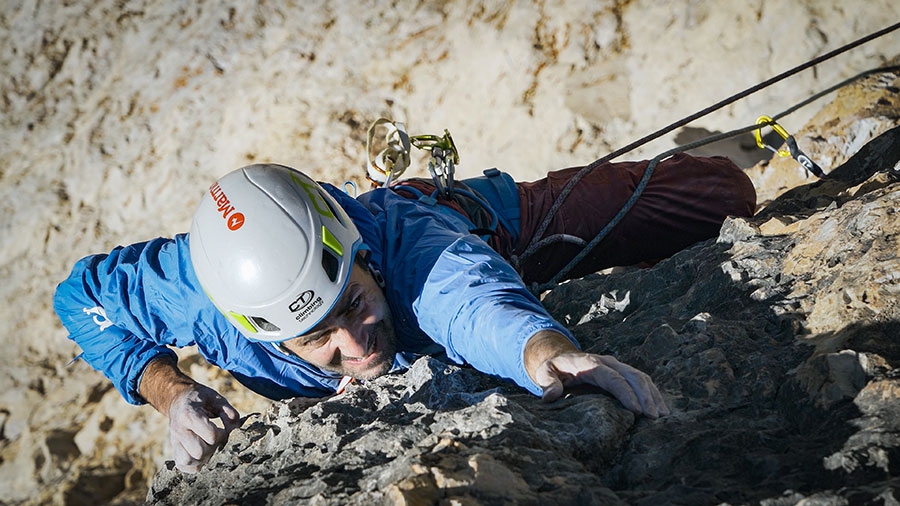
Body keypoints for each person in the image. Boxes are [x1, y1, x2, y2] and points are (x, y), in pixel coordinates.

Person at [54, 152, 756, 473]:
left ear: (363, 255)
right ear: (248, 326)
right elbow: (80, 300)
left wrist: (543, 351)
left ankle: (710, 148)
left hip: (479, 223)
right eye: (317, 339)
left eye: (356, 303)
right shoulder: (195, 292)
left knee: (717, 194)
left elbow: (471, 299)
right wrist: (169, 391)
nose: (356, 346)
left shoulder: (409, 251)